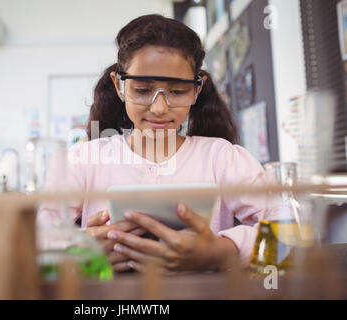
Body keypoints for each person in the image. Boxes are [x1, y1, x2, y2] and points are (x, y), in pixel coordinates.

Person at [41, 14, 268, 274]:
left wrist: (220, 251)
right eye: (142, 90)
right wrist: (77, 250)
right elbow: (36, 241)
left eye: (177, 91)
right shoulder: (82, 161)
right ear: (119, 86)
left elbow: (284, 232)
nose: (159, 108)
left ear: (196, 89)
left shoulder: (223, 159)